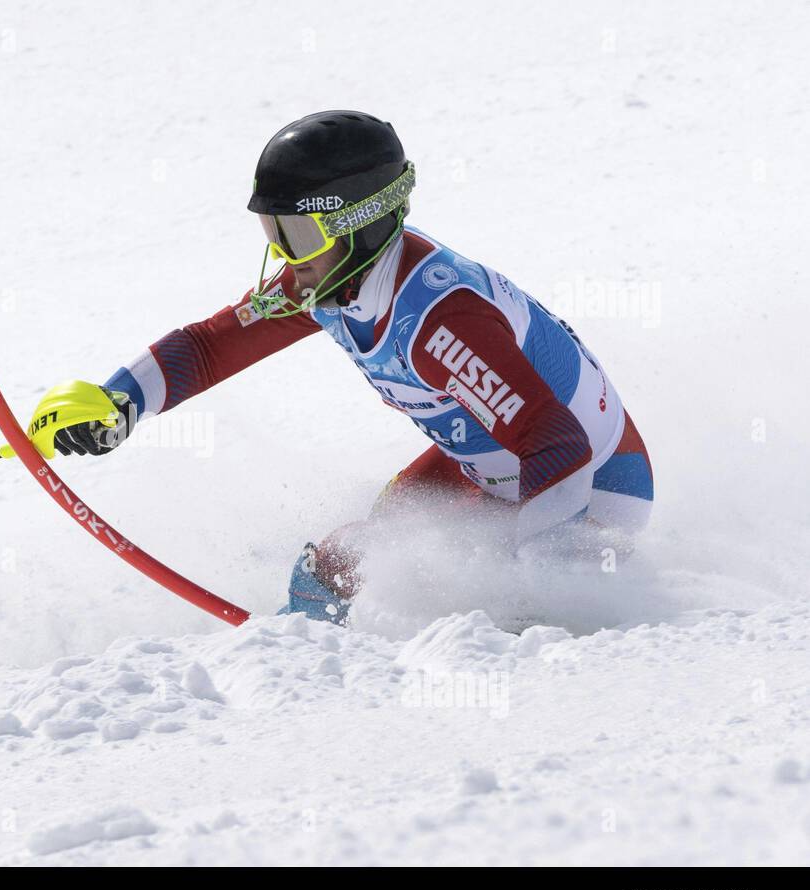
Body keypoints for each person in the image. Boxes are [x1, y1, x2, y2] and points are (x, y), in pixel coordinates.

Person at [53, 110, 653, 624]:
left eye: (299, 233)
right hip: (490, 459)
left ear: (358, 226)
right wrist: (118, 402)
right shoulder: (331, 280)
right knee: (330, 571)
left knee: (422, 583)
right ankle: (303, 664)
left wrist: (534, 589)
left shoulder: (439, 322)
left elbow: (560, 445)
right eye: (274, 232)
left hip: (590, 491)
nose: (286, 257)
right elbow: (212, 347)